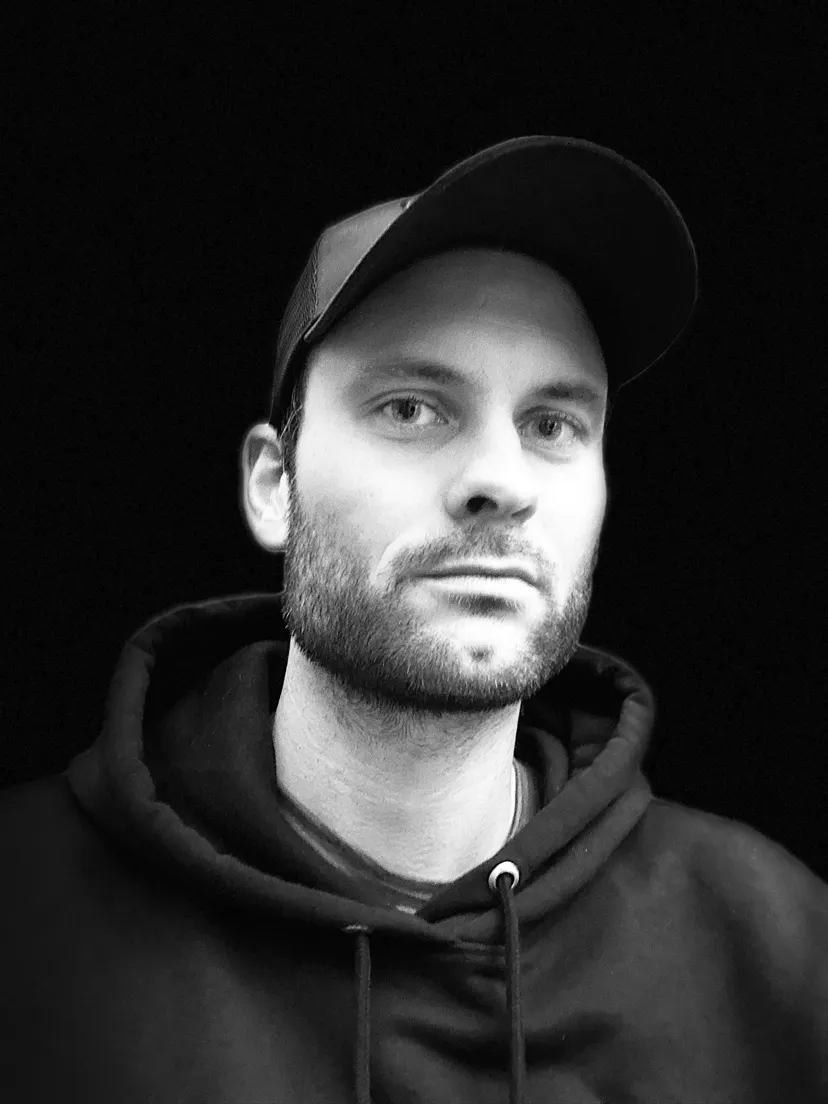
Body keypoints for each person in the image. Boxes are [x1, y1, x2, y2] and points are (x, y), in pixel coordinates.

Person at [2, 136, 826, 1104]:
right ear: (273, 486)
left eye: (553, 425)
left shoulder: (777, 950)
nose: (500, 481)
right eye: (411, 408)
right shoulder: (31, 923)